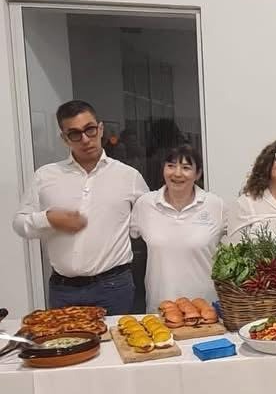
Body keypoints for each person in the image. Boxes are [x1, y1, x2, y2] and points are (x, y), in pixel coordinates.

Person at [13, 100, 148, 315]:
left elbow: (149, 218)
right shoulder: (45, 176)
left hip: (114, 287)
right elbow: (19, 224)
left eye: (90, 130)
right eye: (75, 134)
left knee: (119, 346)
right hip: (63, 290)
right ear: (64, 138)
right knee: (66, 346)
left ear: (101, 128)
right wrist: (48, 218)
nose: (85, 139)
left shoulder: (128, 176)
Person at [131, 145, 225, 312]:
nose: (177, 173)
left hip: (206, 308)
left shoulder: (215, 205)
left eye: (186, 167)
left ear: (198, 174)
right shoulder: (145, 204)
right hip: (160, 306)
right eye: (171, 166)